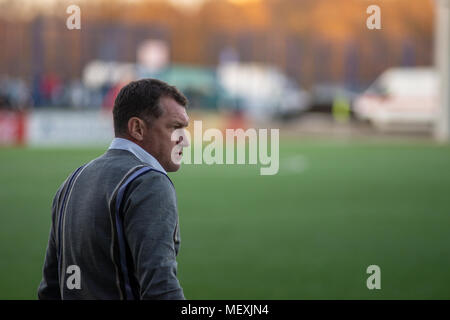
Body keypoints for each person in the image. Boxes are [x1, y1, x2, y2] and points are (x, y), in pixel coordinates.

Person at [37, 79, 190, 300]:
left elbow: (51, 289)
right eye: (175, 127)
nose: (184, 141)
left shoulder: (71, 181)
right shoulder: (149, 182)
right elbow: (161, 289)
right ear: (137, 128)